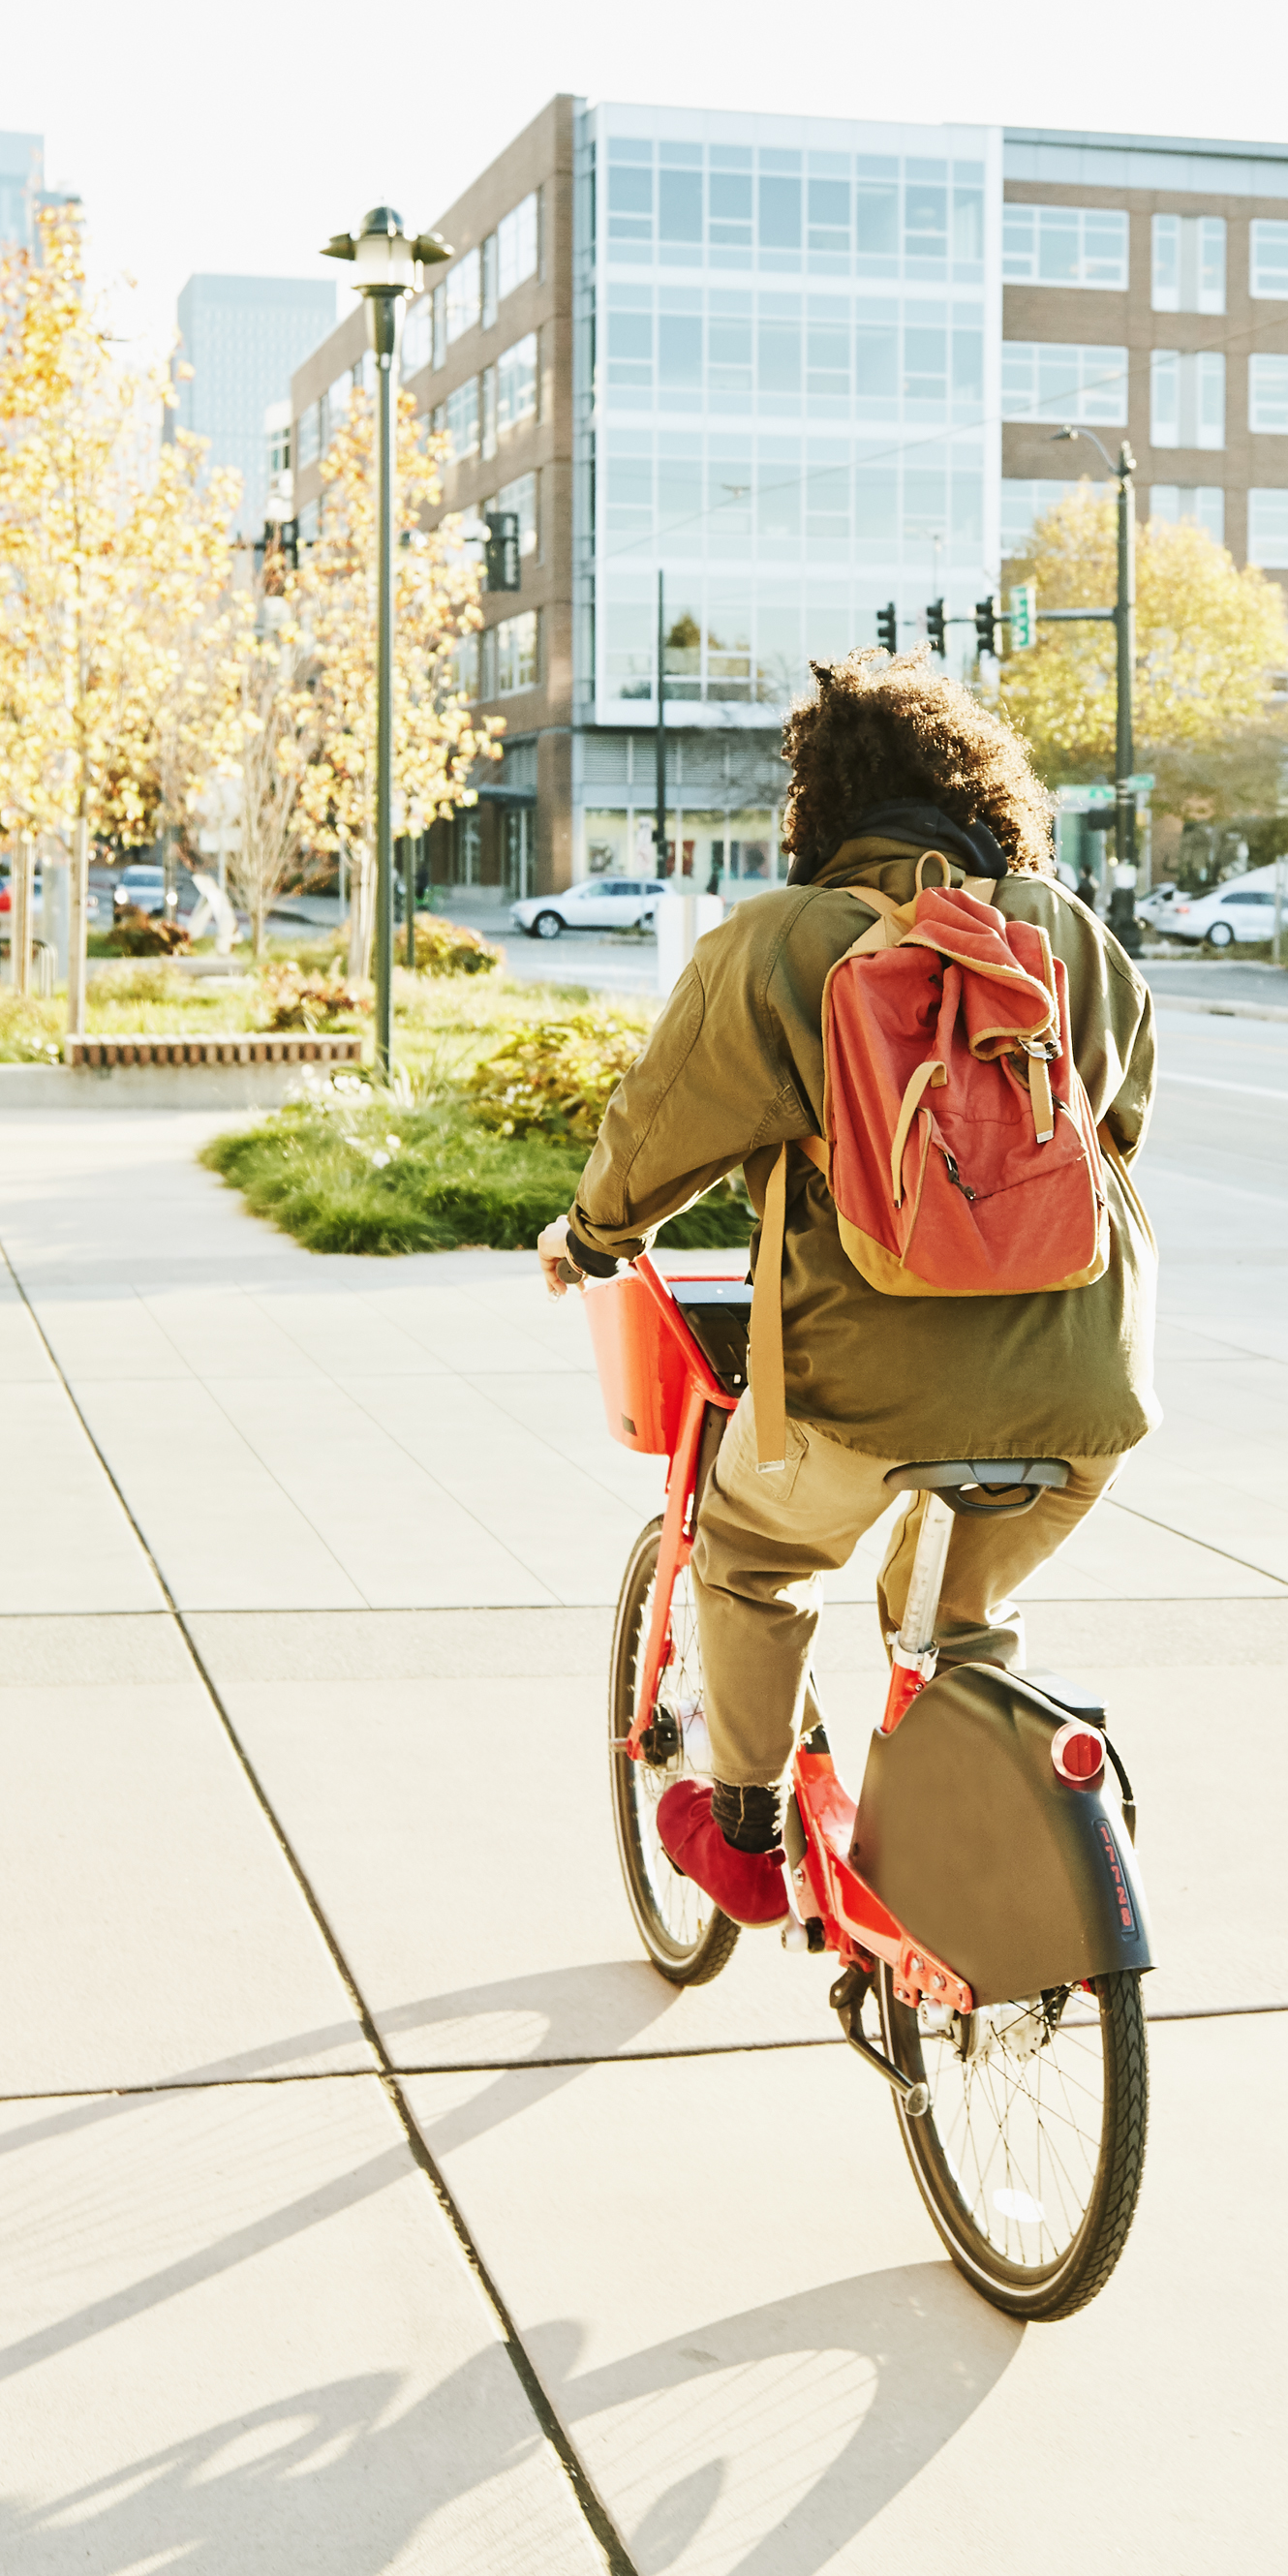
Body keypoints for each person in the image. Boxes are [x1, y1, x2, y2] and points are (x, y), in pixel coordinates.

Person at [534, 651, 1156, 1927]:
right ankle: (984, 1812)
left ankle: (748, 1833)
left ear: (821, 809)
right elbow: (1123, 1125)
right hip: (1086, 1397)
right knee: (952, 1610)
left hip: (858, 1403)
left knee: (753, 1554)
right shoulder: (1070, 938)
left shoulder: (780, 947)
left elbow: (656, 1135)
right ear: (982, 795)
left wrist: (593, 1239)